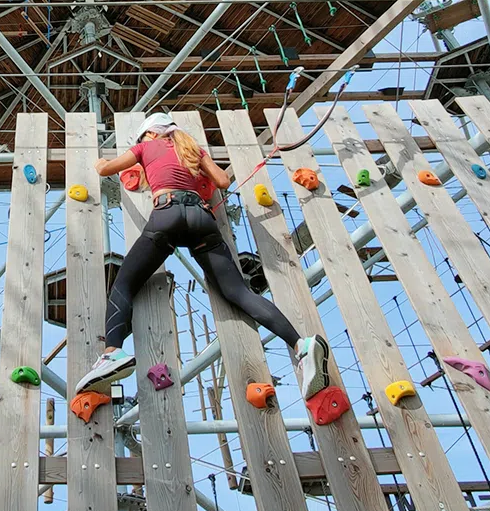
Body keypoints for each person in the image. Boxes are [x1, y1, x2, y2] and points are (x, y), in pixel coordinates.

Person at [76, 112, 331, 399]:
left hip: (167, 214)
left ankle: (112, 353)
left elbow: (106, 170)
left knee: (124, 284)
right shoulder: (193, 149)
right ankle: (302, 346)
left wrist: (99, 162)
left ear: (150, 134)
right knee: (239, 293)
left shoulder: (145, 147)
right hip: (202, 219)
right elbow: (222, 181)